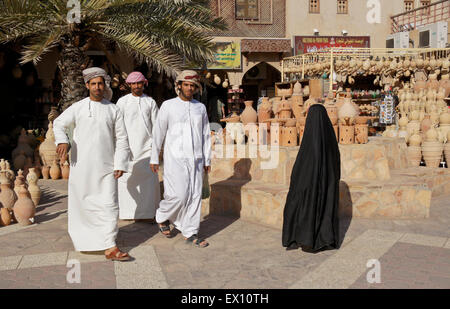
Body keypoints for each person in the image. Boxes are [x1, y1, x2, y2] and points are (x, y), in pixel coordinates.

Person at [53, 67, 132, 261]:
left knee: (109, 205)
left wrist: (120, 162)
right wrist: (62, 140)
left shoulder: (113, 109)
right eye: (93, 83)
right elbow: (59, 123)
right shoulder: (78, 107)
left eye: (100, 83)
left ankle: (110, 246)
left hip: (106, 167)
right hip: (82, 168)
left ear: (105, 85)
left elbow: (122, 138)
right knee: (83, 206)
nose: (97, 87)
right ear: (87, 85)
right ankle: (86, 242)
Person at [150, 70, 211, 248]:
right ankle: (162, 216)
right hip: (174, 159)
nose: (190, 88)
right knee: (178, 195)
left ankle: (190, 232)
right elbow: (158, 132)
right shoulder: (168, 106)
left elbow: (206, 134)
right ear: (179, 86)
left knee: (194, 196)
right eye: (186, 84)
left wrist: (207, 160)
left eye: (192, 85)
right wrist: (154, 157)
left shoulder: (200, 107)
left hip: (197, 159)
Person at [282, 104, 341, 252]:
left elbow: (301, 165)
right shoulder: (330, 137)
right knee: (325, 205)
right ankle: (325, 238)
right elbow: (335, 161)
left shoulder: (309, 137)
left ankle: (302, 237)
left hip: (308, 181)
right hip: (327, 182)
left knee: (299, 202)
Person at [116, 71, 160, 222]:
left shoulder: (150, 102)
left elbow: (157, 126)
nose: (136, 86)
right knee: (126, 180)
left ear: (144, 84)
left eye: (139, 83)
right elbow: (117, 125)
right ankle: (128, 213)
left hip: (147, 148)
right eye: (133, 84)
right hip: (127, 147)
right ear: (129, 85)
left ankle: (148, 214)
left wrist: (157, 148)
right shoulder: (122, 102)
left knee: (149, 181)